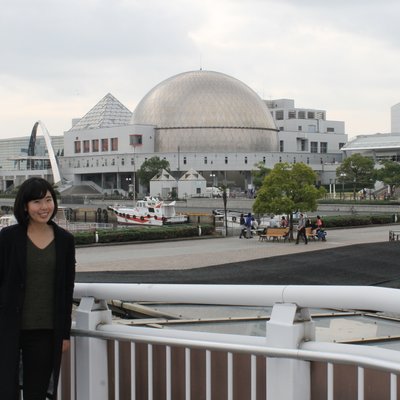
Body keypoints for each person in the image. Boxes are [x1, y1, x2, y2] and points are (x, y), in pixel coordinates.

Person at [0, 177, 76, 400]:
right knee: (6, 391)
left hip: (45, 332)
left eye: (48, 200)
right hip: (8, 328)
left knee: (37, 392)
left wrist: (64, 334)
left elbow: (66, 290)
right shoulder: (8, 238)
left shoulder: (64, 241)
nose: (44, 207)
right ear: (25, 206)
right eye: (37, 202)